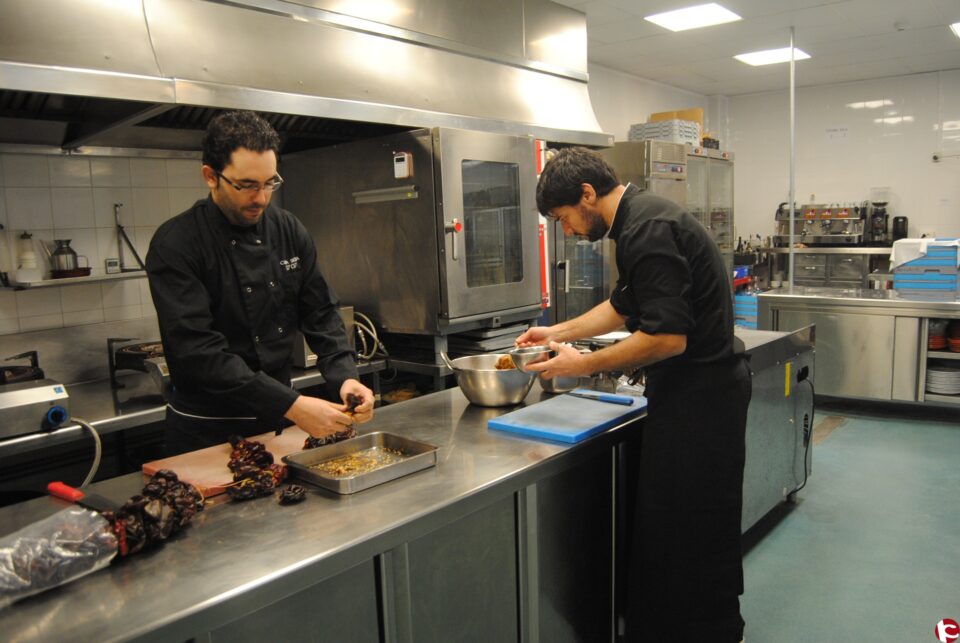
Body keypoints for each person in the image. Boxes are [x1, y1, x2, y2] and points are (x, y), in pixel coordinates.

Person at [516, 147, 751, 642]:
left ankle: (705, 632)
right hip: (696, 393)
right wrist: (552, 331)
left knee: (689, 528)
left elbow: (668, 338)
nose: (568, 232)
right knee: (680, 528)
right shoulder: (642, 217)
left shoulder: (645, 230)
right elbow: (624, 307)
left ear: (586, 195)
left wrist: (582, 364)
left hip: (701, 401)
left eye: (564, 219)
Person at [146, 110, 374, 455]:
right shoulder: (176, 244)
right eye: (247, 185)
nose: (261, 198)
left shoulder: (288, 229)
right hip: (207, 431)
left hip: (276, 422)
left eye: (270, 183)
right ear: (211, 176)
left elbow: (320, 312)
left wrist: (346, 377)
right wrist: (292, 405)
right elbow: (198, 352)